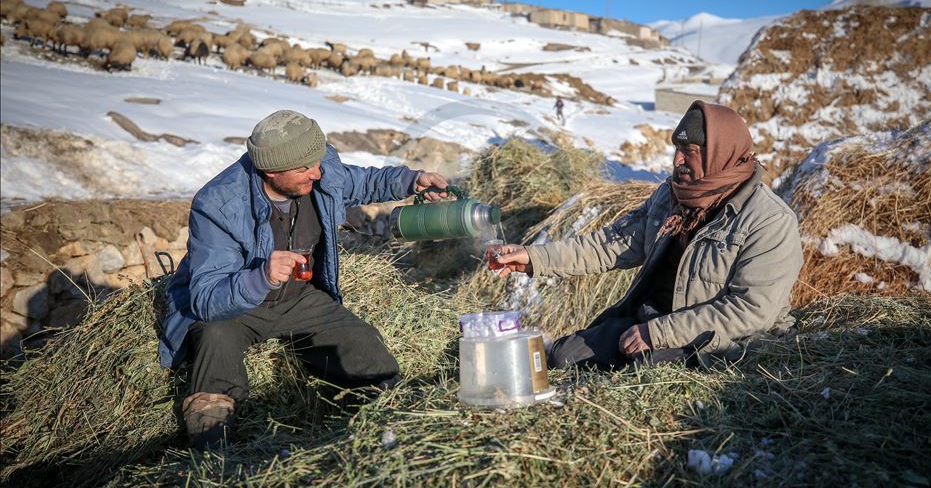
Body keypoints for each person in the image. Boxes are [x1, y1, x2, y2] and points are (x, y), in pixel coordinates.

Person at [160, 109, 449, 448]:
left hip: (299, 297)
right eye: (305, 168)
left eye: (317, 162)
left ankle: (382, 435)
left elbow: (358, 182)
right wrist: (260, 278)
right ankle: (212, 461)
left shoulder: (318, 167)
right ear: (270, 170)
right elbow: (207, 298)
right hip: (237, 307)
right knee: (214, 348)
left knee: (366, 351)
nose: (318, 172)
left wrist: (410, 181)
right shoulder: (219, 204)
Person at [493, 101, 802, 370]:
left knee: (640, 368)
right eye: (677, 150)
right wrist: (534, 257)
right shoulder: (671, 196)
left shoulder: (769, 221)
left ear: (721, 154)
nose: (678, 161)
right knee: (563, 357)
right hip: (655, 318)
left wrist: (658, 334)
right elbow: (610, 243)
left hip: (720, 339)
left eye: (690, 152)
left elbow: (750, 311)